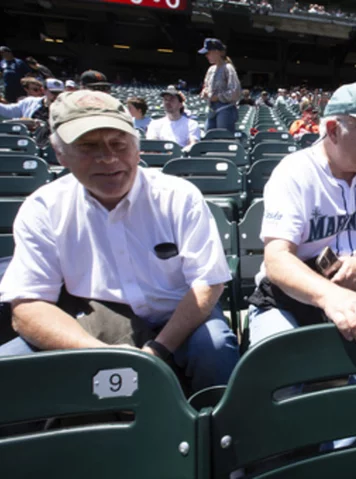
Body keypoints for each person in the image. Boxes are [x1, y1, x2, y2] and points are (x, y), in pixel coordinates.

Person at [0, 90, 239, 392]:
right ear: (60, 154)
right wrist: (99, 354)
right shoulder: (44, 208)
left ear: (137, 148)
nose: (108, 158)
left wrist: (156, 350)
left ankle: (213, 435)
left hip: (180, 317)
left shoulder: (179, 196)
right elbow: (28, 306)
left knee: (215, 348)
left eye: (118, 143)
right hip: (92, 322)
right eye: (88, 147)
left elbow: (208, 283)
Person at [247, 81, 356, 352]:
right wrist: (331, 296)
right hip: (288, 298)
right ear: (333, 130)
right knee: (278, 367)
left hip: (354, 294)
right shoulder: (294, 172)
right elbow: (276, 260)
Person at [0, 78, 65, 146]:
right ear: (44, 90)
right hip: (28, 142)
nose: (57, 96)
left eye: (60, 93)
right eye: (53, 93)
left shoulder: (67, 107)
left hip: (54, 145)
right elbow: (8, 110)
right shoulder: (30, 102)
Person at [199, 38, 240, 133]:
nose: (206, 56)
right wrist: (204, 92)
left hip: (225, 109)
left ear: (216, 52)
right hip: (211, 108)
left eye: (208, 53)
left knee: (223, 138)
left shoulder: (228, 68)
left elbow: (235, 92)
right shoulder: (210, 69)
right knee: (208, 135)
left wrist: (217, 97)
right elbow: (205, 86)